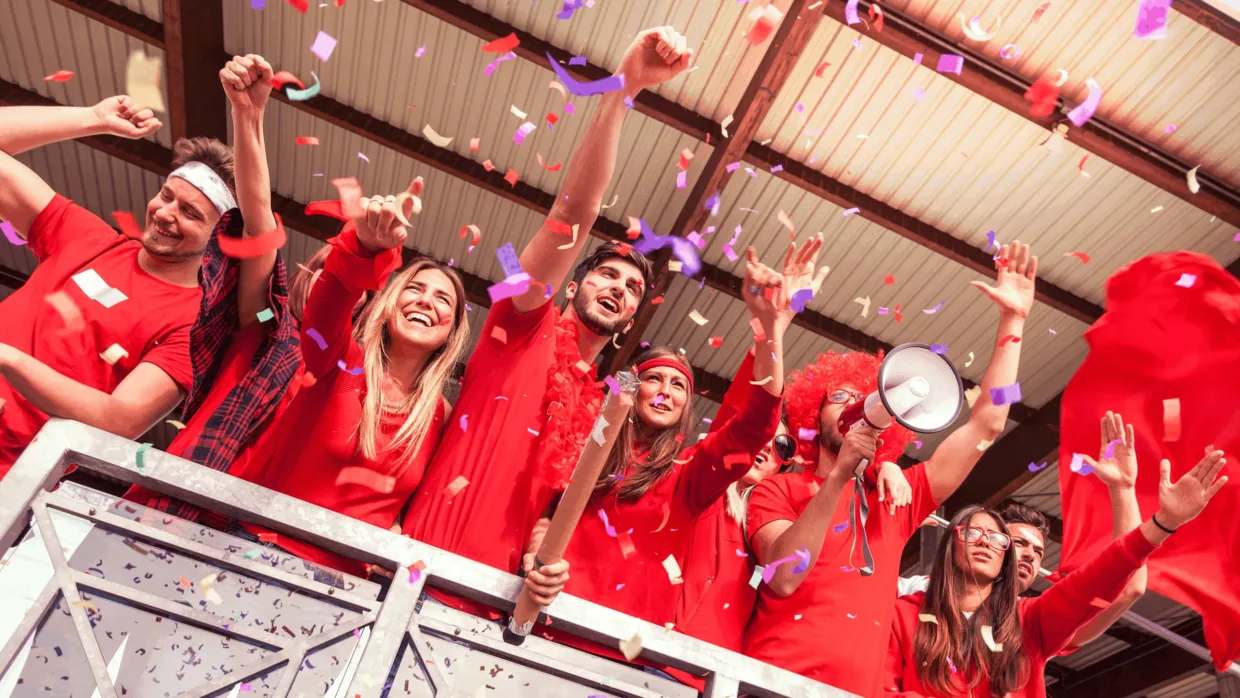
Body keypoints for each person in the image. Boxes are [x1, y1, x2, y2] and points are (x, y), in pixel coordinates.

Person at [400, 26, 691, 603]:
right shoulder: (519, 325)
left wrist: (542, 554)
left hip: (500, 608)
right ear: (571, 285)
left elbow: (554, 509)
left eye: (633, 288)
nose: (619, 288)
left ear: (631, 321)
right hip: (419, 574)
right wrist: (623, 91)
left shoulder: (610, 410)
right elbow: (573, 213)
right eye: (606, 274)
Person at [743, 242, 1038, 696]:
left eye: (862, 397)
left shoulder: (896, 500)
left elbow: (988, 423)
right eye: (838, 397)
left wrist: (1013, 322)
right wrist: (839, 476)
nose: (854, 406)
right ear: (811, 415)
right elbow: (784, 575)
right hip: (770, 684)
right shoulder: (777, 491)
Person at [517, 247, 787, 673]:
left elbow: (753, 425)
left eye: (679, 385)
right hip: (545, 633)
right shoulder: (582, 449)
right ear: (630, 389)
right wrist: (537, 550)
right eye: (653, 379)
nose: (665, 390)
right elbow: (546, 514)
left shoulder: (689, 476)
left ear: (685, 407)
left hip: (623, 663)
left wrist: (768, 331)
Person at [676, 235, 912, 653]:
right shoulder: (701, 485)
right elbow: (749, 410)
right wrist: (775, 327)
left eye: (784, 448)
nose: (767, 448)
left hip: (712, 678)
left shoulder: (773, 519)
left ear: (788, 463)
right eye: (760, 438)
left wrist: (883, 465)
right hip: (647, 651)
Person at [0, 95, 256, 476]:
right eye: (167, 196)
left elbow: (121, 419)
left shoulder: (194, 325)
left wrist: (7, 359)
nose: (166, 213)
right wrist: (91, 118)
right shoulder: (89, 238)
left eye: (190, 213)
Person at [124, 54, 327, 523]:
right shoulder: (265, 328)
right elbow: (258, 229)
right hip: (170, 515)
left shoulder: (356, 393)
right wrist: (248, 116)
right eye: (327, 272)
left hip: (264, 560)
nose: (338, 287)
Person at [235, 178, 469, 578]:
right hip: (258, 556)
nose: (426, 301)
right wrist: (365, 249)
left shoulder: (442, 417)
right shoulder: (341, 362)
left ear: (452, 331)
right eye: (414, 289)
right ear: (391, 304)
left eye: (442, 298)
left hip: (350, 600)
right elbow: (328, 306)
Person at [883, 449, 1229, 697]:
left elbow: (1113, 583)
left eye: (1036, 550)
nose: (988, 543)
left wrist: (1161, 522)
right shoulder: (902, 610)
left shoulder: (1031, 621)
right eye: (975, 533)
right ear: (951, 544)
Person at [899, 413, 1149, 653]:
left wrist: (1123, 489)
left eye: (1038, 552)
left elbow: (1129, 589)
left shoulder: (1032, 621)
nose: (1030, 555)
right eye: (1019, 543)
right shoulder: (914, 590)